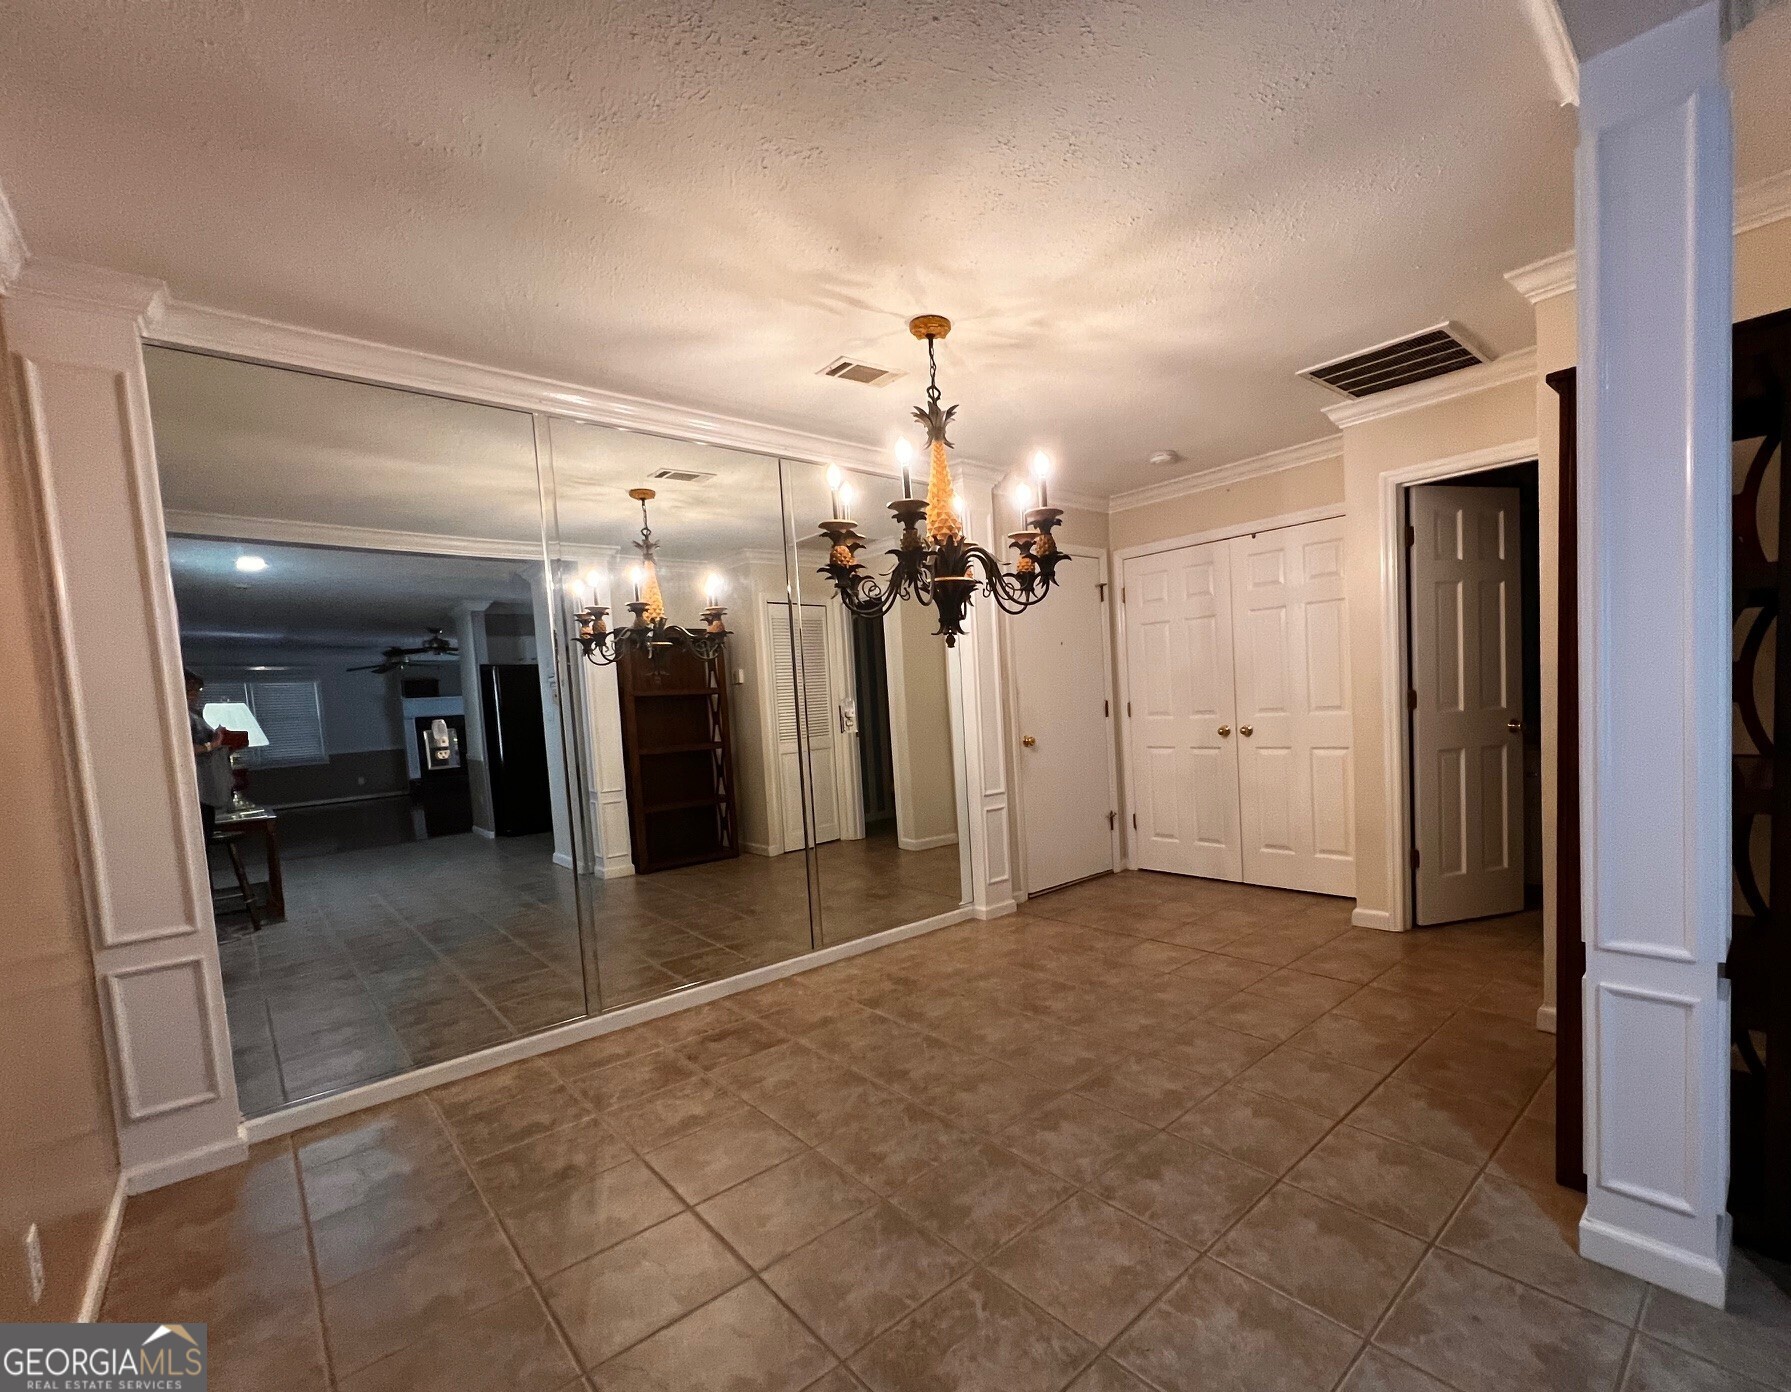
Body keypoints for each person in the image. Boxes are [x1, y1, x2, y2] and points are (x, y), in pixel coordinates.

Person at [185, 670, 235, 844]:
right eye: (190, 690)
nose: (195, 695)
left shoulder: (195, 715)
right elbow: (184, 750)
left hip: (207, 782)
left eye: (197, 691)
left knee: (207, 833)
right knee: (202, 839)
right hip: (196, 785)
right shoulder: (180, 717)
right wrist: (211, 745)